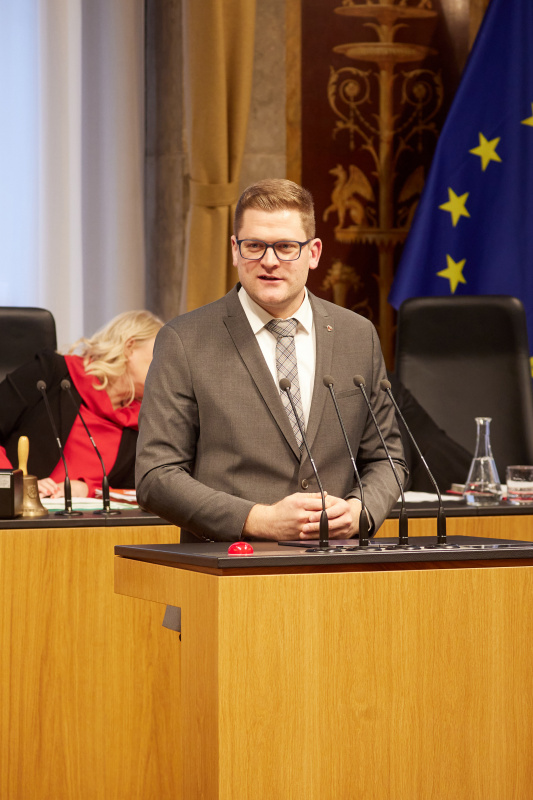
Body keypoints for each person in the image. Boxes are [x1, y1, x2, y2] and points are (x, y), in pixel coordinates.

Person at [136, 178, 407, 542]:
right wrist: (257, 519)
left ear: (313, 252)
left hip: (337, 572)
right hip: (228, 572)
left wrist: (362, 511)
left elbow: (388, 460)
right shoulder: (185, 341)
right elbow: (156, 476)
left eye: (285, 247)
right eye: (254, 246)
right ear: (235, 250)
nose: (269, 261)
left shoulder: (357, 336)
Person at [0, 310, 163, 498]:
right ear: (129, 347)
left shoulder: (143, 422)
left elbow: (141, 489)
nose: (165, 367)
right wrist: (13, 484)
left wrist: (88, 489)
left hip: (92, 525)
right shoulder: (51, 374)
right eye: (158, 354)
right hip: (21, 517)